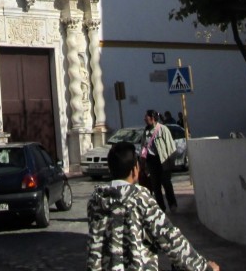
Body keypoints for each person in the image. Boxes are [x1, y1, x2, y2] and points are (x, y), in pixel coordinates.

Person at [87, 141, 219, 271]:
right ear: (135, 170)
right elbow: (170, 238)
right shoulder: (139, 198)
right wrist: (204, 267)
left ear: (110, 170)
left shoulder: (96, 200)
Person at [141, 110, 178, 212]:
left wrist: (171, 162)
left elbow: (170, 146)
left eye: (146, 117)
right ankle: (161, 207)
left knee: (166, 184)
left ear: (152, 118)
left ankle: (172, 204)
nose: (144, 119)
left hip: (162, 161)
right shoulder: (146, 132)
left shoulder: (163, 129)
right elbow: (144, 147)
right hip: (151, 162)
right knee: (155, 186)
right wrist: (143, 161)